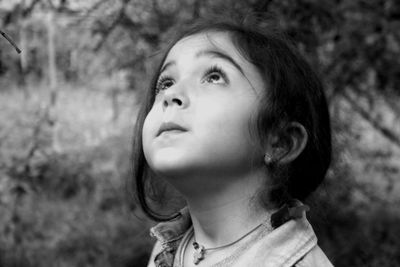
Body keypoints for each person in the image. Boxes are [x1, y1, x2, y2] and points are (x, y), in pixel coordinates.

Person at [132, 14, 334, 267]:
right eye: (166, 82)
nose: (171, 94)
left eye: (214, 76)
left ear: (280, 142)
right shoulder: (167, 250)